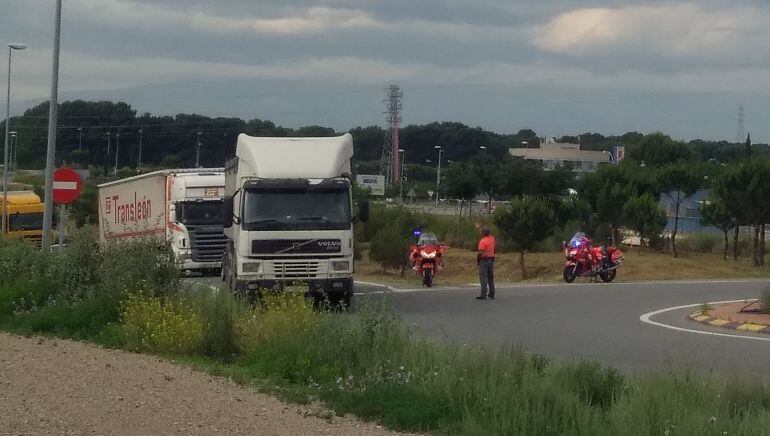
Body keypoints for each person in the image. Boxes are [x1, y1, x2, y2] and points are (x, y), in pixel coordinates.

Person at [476, 226, 495, 300]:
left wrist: (478, 260)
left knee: (483, 278)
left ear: (483, 233)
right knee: (491, 277)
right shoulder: (492, 239)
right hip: (491, 260)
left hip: (484, 261)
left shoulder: (483, 241)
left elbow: (480, 252)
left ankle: (483, 294)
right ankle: (492, 293)